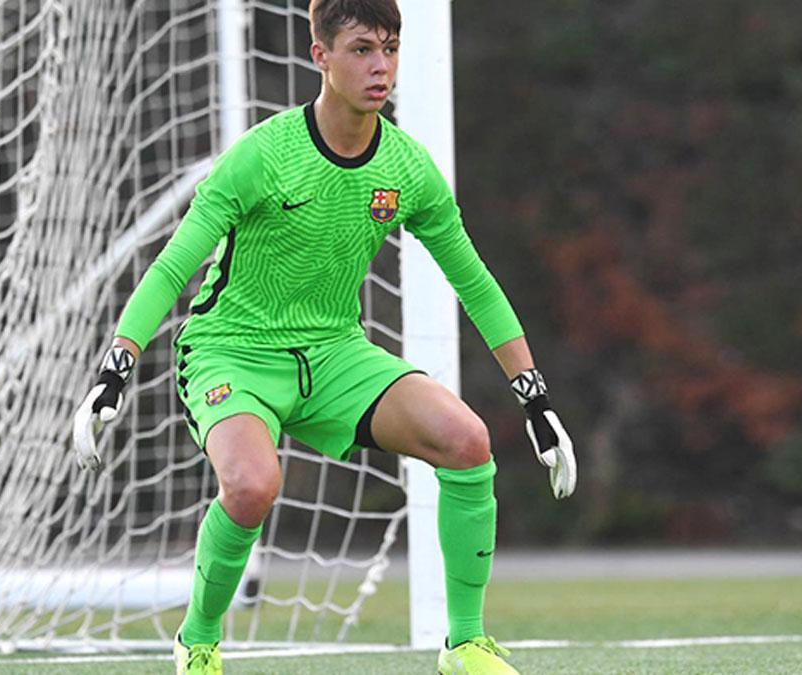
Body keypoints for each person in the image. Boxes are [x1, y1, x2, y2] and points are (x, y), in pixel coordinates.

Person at [72, 1, 576, 672]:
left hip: (335, 354)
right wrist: (115, 367)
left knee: (467, 440)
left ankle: (464, 646)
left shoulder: (407, 168)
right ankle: (198, 642)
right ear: (321, 56)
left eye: (390, 49)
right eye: (362, 49)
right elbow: (172, 267)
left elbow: (475, 283)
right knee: (252, 485)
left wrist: (534, 397)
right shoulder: (262, 156)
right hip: (231, 351)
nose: (381, 67)